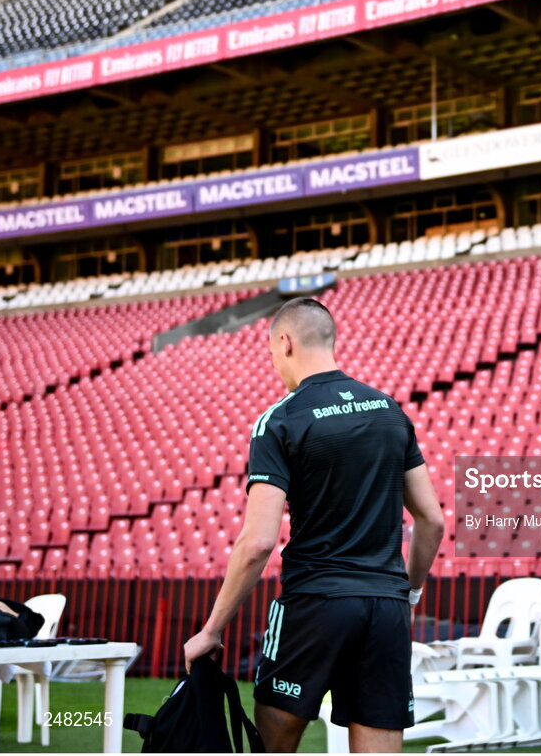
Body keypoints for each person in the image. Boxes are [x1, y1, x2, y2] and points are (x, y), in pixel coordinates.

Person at [184, 297, 445, 753]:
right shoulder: (390, 411)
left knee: (273, 746)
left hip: (314, 603)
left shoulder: (280, 420)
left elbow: (259, 542)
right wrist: (410, 592)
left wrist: (211, 630)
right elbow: (433, 520)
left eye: (271, 355)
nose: (275, 367)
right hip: (385, 609)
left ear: (284, 343)